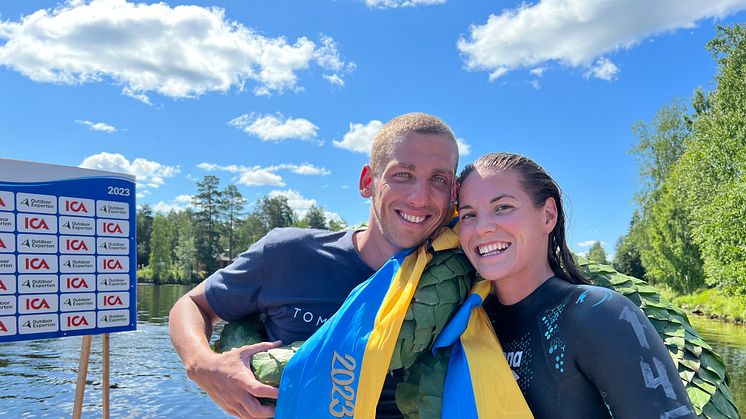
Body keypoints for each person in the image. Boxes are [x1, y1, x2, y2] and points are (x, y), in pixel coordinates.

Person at [168, 112, 459, 419]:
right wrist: (201, 363)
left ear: (453, 193)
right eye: (402, 174)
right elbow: (192, 304)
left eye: (438, 179)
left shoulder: (460, 280)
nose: (420, 197)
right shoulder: (288, 254)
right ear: (367, 182)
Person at [456, 152, 696, 418]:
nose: (482, 228)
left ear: (548, 215)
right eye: (468, 215)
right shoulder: (467, 324)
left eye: (503, 207)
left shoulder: (600, 314)